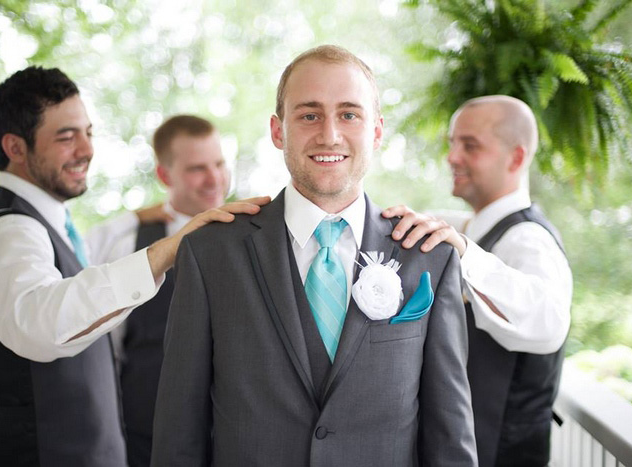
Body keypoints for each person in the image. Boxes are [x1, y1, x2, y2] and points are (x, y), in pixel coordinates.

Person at [151, 45, 477, 466]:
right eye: (308, 115)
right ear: (277, 131)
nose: (329, 134)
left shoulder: (428, 255)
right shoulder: (210, 253)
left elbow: (450, 436)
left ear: (376, 131)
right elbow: (179, 433)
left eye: (348, 115)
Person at [0, 66, 267, 466]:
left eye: (88, 133)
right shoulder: (9, 230)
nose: (86, 150)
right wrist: (167, 250)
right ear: (16, 148)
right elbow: (43, 323)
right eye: (67, 137)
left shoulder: (50, 226)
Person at [384, 95, 572, 466]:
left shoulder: (527, 238)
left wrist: (467, 254)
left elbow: (549, 322)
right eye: (452, 144)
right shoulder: (471, 226)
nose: (452, 157)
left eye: (469, 145)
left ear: (516, 158)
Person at [86, 114, 230, 466]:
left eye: (220, 163)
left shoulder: (250, 234)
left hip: (234, 440)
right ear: (164, 176)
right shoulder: (125, 242)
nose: (214, 179)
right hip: (144, 440)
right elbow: (103, 350)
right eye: (197, 168)